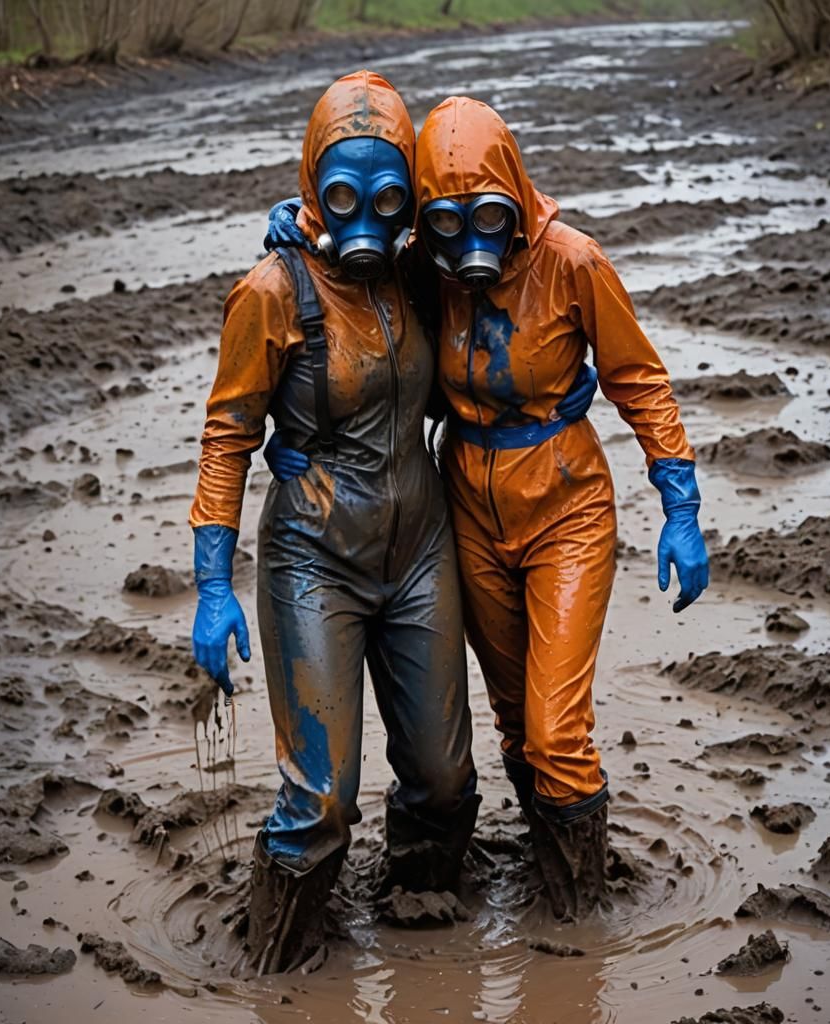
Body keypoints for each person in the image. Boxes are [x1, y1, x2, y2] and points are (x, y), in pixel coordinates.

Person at [263, 96, 706, 923]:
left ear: (518, 197)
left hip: (565, 502)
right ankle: (546, 864)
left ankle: (582, 915)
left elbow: (639, 378)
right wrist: (297, 220)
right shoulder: (421, 268)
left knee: (555, 726)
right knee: (511, 720)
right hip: (466, 497)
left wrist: (678, 499)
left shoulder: (573, 262)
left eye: (491, 218)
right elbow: (355, 318)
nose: (473, 245)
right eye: (448, 223)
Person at [188, 71, 482, 975]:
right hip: (314, 554)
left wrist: (550, 387)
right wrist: (210, 585)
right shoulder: (272, 291)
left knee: (441, 771)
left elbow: (504, 243)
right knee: (322, 795)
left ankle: (422, 903)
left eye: (387, 196)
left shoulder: (418, 271)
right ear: (315, 183)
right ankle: (282, 964)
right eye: (342, 194)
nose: (367, 217)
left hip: (421, 547)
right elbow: (226, 436)